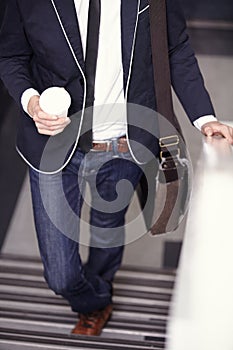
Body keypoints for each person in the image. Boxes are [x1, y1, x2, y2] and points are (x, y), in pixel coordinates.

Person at [0, 0, 232, 337]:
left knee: (106, 230)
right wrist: (31, 100)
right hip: (53, 147)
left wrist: (206, 118)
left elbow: (176, 48)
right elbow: (12, 56)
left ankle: (97, 303)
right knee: (59, 274)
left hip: (123, 144)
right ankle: (92, 297)